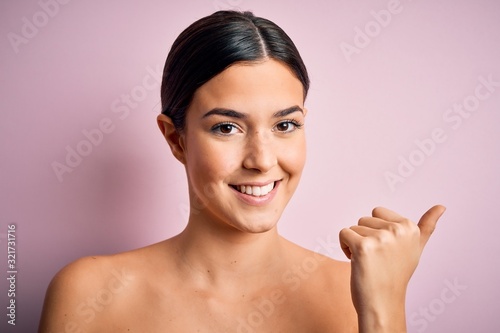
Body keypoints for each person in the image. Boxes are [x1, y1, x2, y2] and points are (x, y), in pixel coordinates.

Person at [38, 10, 445, 333]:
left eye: (285, 125)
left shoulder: (357, 290)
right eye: (226, 127)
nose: (262, 160)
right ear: (175, 139)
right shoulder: (88, 293)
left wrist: (384, 308)